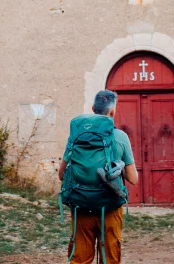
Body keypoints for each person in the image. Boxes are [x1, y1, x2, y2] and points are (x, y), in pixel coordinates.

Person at [58, 90, 138, 264]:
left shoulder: (77, 136)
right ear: (113, 112)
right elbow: (133, 178)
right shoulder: (121, 137)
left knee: (81, 259)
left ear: (93, 109)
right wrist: (119, 167)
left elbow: (61, 174)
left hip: (81, 206)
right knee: (109, 258)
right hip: (109, 207)